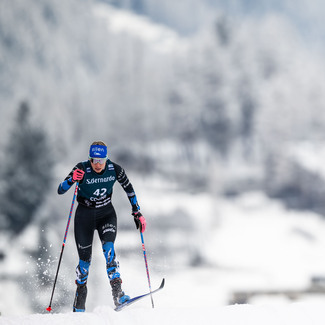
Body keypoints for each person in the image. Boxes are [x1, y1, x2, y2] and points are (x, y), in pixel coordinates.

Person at [57, 141, 146, 312]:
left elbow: (129, 189)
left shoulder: (115, 169)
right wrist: (71, 180)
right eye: (94, 160)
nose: (98, 164)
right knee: (84, 264)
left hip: (106, 214)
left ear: (107, 159)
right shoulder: (81, 169)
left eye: (101, 160)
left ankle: (118, 295)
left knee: (109, 251)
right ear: (89, 159)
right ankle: (79, 304)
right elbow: (60, 190)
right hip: (84, 216)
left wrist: (137, 212)